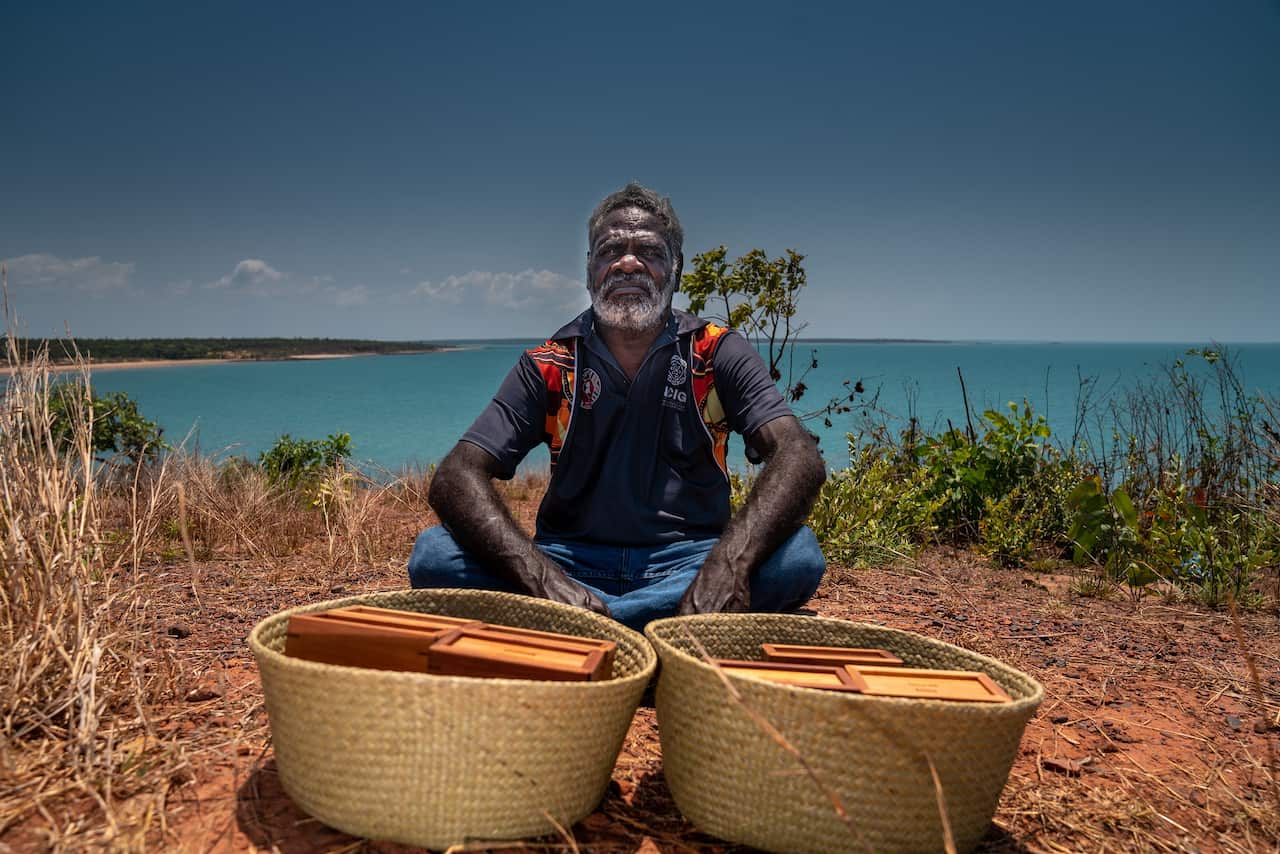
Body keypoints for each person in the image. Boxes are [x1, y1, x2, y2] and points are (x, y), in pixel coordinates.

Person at [408, 183, 827, 631]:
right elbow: (456, 474)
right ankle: (663, 628)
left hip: (692, 563)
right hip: (568, 563)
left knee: (798, 557)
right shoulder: (550, 363)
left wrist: (727, 565)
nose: (628, 263)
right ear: (591, 270)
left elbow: (798, 455)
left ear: (676, 271)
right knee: (434, 556)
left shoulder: (716, 352)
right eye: (610, 250)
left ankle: (587, 627)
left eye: (649, 250)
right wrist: (545, 580)